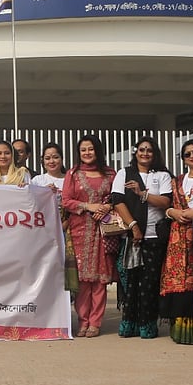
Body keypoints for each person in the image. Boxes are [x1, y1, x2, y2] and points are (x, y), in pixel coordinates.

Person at [110, 137, 172, 338]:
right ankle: (129, 322)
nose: (145, 153)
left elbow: (165, 201)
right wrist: (133, 226)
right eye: (142, 150)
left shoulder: (162, 175)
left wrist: (142, 194)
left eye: (149, 150)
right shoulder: (124, 173)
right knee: (130, 281)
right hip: (131, 237)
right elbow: (118, 201)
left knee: (150, 282)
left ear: (155, 154)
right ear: (135, 152)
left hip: (155, 236)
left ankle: (147, 323)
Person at [62, 135, 119, 338]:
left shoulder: (111, 174)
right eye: (83, 149)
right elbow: (66, 200)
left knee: (100, 280)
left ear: (98, 151)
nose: (87, 153)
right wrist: (87, 206)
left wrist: (107, 207)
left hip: (104, 232)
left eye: (91, 149)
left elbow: (118, 197)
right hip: (79, 231)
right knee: (83, 281)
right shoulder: (73, 174)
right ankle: (83, 321)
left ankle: (95, 322)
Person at [161, 139, 193, 345]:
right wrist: (172, 211)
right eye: (187, 154)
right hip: (180, 242)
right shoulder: (178, 181)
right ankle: (184, 330)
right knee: (184, 287)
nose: (192, 157)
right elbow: (168, 207)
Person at [31, 142, 76, 296]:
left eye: (55, 157)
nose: (52, 161)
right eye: (47, 158)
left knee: (65, 271)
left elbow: (75, 203)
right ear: (42, 161)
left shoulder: (71, 179)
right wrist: (43, 193)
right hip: (44, 233)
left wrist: (66, 222)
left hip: (68, 231)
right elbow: (31, 206)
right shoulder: (37, 181)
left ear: (62, 159)